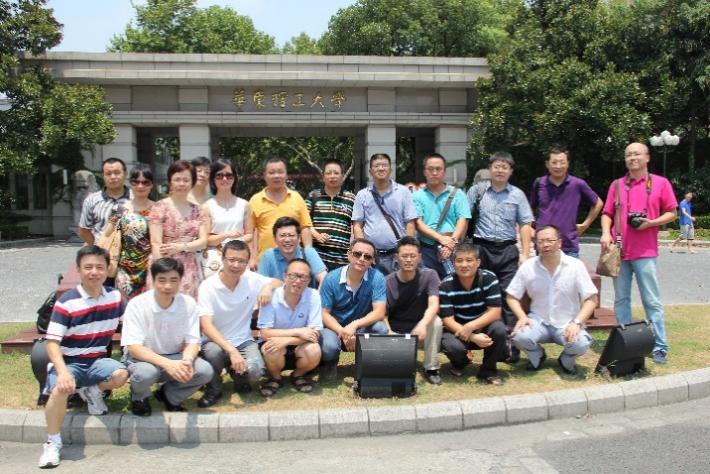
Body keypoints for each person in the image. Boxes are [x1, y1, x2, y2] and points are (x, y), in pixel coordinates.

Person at [38, 246, 128, 468]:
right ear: (78, 270)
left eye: (99, 267)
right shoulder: (67, 302)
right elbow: (52, 343)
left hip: (96, 361)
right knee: (60, 390)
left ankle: (92, 391)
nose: (94, 272)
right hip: (69, 362)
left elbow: (131, 324)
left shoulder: (115, 297)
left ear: (108, 269)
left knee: (121, 374)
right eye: (88, 267)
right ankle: (52, 442)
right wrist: (62, 372)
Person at [600, 142, 678, 365]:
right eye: (628, 155)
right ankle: (625, 343)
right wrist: (605, 233)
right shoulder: (617, 185)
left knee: (651, 301)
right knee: (621, 300)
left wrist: (651, 223)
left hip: (645, 252)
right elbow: (606, 213)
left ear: (647, 157)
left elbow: (672, 212)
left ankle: (660, 346)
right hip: (619, 251)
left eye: (636, 154)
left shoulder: (660, 183)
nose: (632, 158)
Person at [121, 258, 214, 416]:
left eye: (173, 280)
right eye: (162, 280)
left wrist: (187, 361)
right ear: (153, 279)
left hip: (175, 356)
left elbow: (192, 341)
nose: (168, 286)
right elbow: (134, 348)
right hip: (142, 359)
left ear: (181, 280)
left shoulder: (189, 303)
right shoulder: (137, 304)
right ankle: (139, 397)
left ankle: (169, 395)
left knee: (204, 371)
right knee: (145, 374)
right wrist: (168, 364)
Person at [197, 240, 281, 407]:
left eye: (241, 261)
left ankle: (239, 378)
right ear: (222, 258)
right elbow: (206, 325)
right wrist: (232, 351)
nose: (236, 265)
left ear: (247, 262)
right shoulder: (208, 286)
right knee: (213, 353)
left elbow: (279, 283)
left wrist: (267, 288)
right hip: (215, 341)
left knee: (256, 370)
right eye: (231, 259)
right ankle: (214, 388)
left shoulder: (251, 279)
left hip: (243, 340)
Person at [467, 151, 534, 363]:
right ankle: (473, 341)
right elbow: (464, 218)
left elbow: (525, 224)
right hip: (481, 248)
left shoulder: (517, 194)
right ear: (490, 168)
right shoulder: (477, 191)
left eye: (505, 167)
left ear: (511, 171)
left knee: (509, 296)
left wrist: (525, 254)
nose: (500, 170)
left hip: (507, 250)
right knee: (478, 295)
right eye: (496, 166)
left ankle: (510, 345)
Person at [507, 225, 598, 375]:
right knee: (518, 336)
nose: (545, 245)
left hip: (567, 323)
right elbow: (511, 296)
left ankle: (566, 359)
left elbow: (591, 298)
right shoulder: (528, 266)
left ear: (559, 242)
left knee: (581, 343)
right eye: (540, 241)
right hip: (538, 321)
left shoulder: (575, 266)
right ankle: (537, 355)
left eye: (550, 240)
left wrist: (577, 322)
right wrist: (522, 317)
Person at [439, 241, 507, 385]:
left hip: (481, 326)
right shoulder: (445, 285)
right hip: (457, 330)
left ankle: (488, 370)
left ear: (478, 262)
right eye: (459, 260)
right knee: (451, 345)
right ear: (453, 263)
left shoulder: (489, 278)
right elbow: (447, 320)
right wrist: (472, 336)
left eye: (469, 260)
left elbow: (495, 312)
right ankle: (461, 362)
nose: (464, 265)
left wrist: (471, 326)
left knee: (499, 329)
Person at [319, 238, 388, 379]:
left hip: (360, 328)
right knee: (328, 346)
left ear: (372, 261)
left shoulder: (377, 278)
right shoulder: (331, 278)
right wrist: (343, 332)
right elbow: (323, 314)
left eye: (367, 256)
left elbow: (380, 312)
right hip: (334, 329)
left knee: (381, 329)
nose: (361, 259)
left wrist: (355, 325)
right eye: (357, 254)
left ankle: (367, 364)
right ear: (349, 254)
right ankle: (330, 363)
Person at [257, 258, 323, 396]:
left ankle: (298, 375)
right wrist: (298, 331)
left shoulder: (314, 295)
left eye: (303, 277)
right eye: (293, 276)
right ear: (285, 277)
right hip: (276, 342)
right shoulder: (271, 296)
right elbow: (265, 333)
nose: (298, 281)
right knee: (270, 348)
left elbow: (314, 333)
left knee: (314, 350)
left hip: (299, 344)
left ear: (309, 280)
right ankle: (275, 378)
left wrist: (287, 340)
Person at [384, 237, 443, 385]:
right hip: (396, 333)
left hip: (421, 332)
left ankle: (431, 368)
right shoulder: (387, 282)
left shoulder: (430, 275)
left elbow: (434, 305)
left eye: (413, 256)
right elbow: (382, 314)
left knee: (436, 321)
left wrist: (422, 325)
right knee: (398, 369)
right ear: (396, 257)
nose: (409, 260)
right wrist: (389, 331)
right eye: (404, 256)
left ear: (419, 257)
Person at [148, 160, 208, 299]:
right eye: (177, 179)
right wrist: (163, 273)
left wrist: (181, 247)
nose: (182, 184)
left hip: (188, 266)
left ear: (192, 182)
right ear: (170, 181)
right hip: (163, 263)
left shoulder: (198, 210)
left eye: (186, 180)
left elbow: (203, 242)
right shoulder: (160, 207)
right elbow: (156, 243)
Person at [530, 148, 603, 257]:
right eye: (554, 162)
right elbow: (530, 208)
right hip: (544, 245)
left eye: (562, 162)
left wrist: (585, 225)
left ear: (568, 163)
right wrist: (531, 227)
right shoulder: (540, 183)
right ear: (547, 164)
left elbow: (598, 203)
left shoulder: (577, 184)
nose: (558, 166)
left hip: (569, 246)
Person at [352, 153, 418, 275]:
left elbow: (410, 223)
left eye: (384, 165)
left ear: (390, 170)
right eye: (377, 166)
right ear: (370, 171)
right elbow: (357, 225)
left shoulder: (404, 192)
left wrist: (406, 250)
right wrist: (364, 252)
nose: (381, 168)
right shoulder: (362, 195)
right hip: (372, 257)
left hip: (396, 255)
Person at [413, 153, 470, 278]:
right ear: (424, 172)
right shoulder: (417, 196)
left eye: (438, 169)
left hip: (453, 249)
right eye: (430, 169)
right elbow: (418, 223)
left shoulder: (458, 194)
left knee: (453, 284)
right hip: (427, 250)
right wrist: (441, 238)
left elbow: (463, 220)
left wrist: (451, 243)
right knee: (427, 284)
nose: (434, 173)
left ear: (444, 172)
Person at [102, 163, 154, 299]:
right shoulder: (120, 209)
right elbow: (107, 233)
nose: (140, 186)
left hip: (150, 267)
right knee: (125, 307)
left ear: (152, 185)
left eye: (145, 182)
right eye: (136, 182)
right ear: (130, 183)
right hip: (125, 269)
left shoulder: (158, 209)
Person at [249, 156, 313, 262]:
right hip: (264, 261)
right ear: (264, 176)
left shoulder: (297, 198)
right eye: (271, 172)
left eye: (280, 172)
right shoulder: (255, 200)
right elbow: (251, 232)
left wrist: (309, 255)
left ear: (286, 175)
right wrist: (252, 257)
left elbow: (305, 227)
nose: (276, 176)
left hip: (294, 261)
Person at [201, 159, 253, 278]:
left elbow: (250, 234)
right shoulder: (206, 207)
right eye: (219, 176)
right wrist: (226, 235)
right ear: (213, 179)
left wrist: (235, 243)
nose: (224, 179)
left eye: (229, 175)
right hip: (216, 261)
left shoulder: (244, 205)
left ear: (234, 178)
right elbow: (205, 240)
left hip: (239, 258)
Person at [306, 159, 356, 271]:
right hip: (317, 260)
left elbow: (356, 226)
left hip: (342, 260)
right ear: (323, 176)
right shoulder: (313, 196)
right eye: (329, 173)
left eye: (336, 173)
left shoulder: (351, 199)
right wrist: (316, 235)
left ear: (342, 176)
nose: (332, 176)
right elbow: (304, 222)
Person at [258, 216, 327, 288]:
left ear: (299, 238)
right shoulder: (269, 255)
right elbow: (260, 283)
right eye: (282, 235)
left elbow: (324, 278)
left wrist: (317, 294)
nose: (287, 240)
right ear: (275, 239)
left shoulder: (308, 253)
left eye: (291, 235)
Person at [78, 157, 131, 245]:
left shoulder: (135, 198)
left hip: (130, 252)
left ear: (125, 174)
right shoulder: (92, 200)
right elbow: (84, 230)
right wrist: (98, 247)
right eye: (108, 174)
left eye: (117, 173)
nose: (113, 177)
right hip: (102, 251)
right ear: (103, 176)